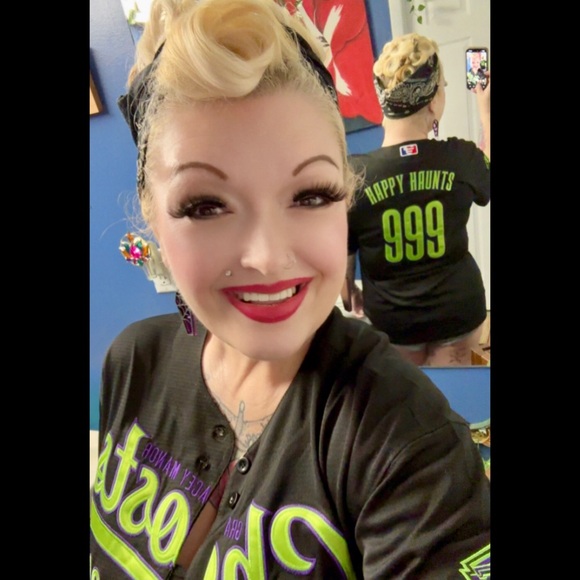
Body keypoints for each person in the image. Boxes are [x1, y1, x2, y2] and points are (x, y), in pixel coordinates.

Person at [89, 2, 490, 578]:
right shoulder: (132, 361)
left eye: (311, 195)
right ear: (152, 217)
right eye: (205, 205)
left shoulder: (405, 443)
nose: (269, 258)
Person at [343, 32, 490, 367]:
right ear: (433, 101)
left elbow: (344, 267)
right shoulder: (460, 158)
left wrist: (350, 292)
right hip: (458, 315)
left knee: (411, 394)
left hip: (394, 324)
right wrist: (486, 111)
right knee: (456, 393)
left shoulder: (354, 176)